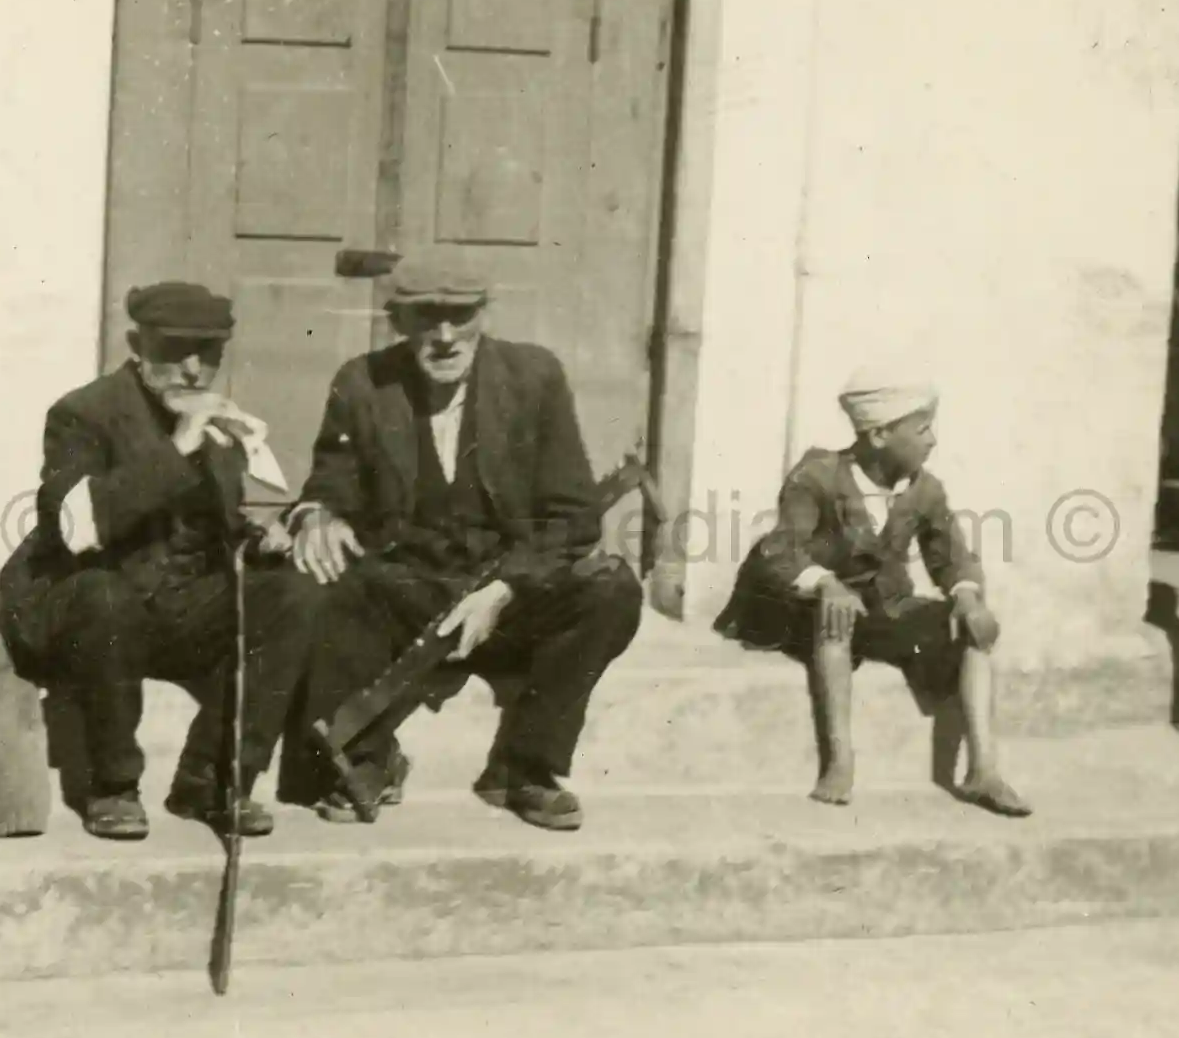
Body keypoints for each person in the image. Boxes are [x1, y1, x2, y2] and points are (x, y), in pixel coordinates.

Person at [279, 251, 645, 830]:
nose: (445, 337)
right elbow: (331, 480)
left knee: (611, 589)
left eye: (461, 316)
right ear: (398, 320)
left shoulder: (533, 378)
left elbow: (573, 515)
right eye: (427, 318)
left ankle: (526, 768)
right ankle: (369, 757)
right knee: (326, 575)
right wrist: (319, 514)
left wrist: (505, 587)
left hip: (507, 589)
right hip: (411, 586)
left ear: (484, 315)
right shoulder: (363, 382)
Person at [0, 281, 320, 841]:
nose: (193, 369)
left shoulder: (224, 424)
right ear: (136, 343)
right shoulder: (83, 414)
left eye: (209, 353)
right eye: (174, 351)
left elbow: (234, 513)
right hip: (91, 612)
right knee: (105, 595)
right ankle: (112, 785)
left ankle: (214, 780)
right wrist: (177, 450)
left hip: (175, 610)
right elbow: (74, 529)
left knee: (292, 592)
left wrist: (265, 532)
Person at [714, 366, 1033, 817]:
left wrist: (966, 594)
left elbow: (951, 555)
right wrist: (825, 582)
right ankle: (840, 760)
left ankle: (984, 770)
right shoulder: (817, 476)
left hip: (880, 605)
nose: (932, 440)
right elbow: (781, 547)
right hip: (803, 605)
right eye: (922, 429)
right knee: (836, 615)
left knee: (973, 628)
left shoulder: (925, 490)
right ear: (880, 434)